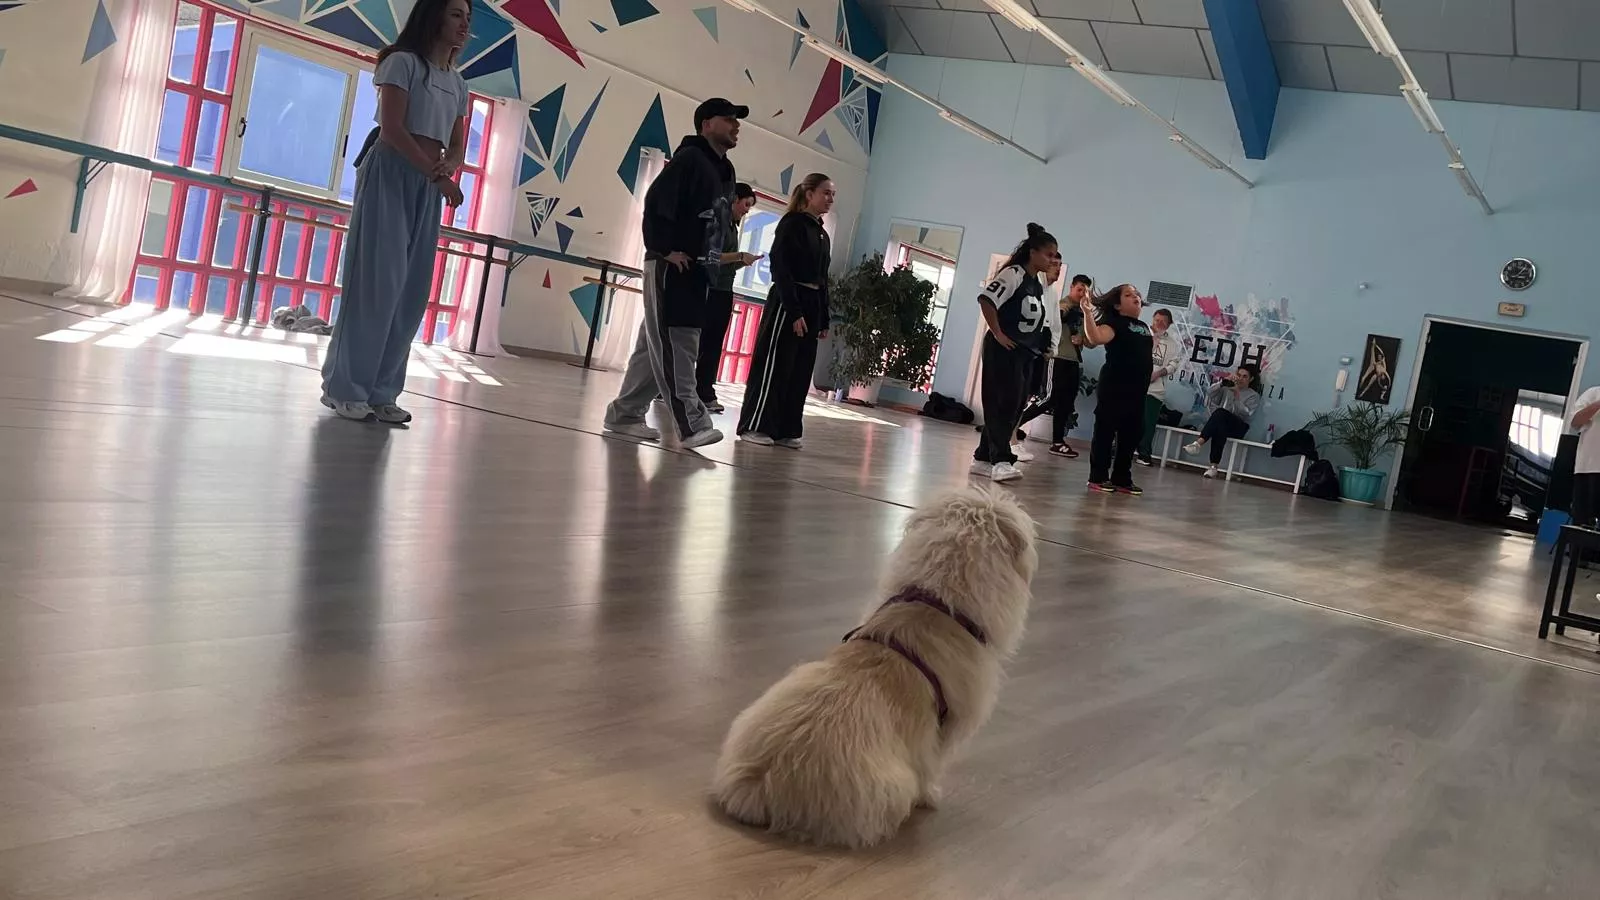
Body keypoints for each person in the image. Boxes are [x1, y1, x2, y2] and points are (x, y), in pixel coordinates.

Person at [320, 0, 471, 424]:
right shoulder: (402, 63)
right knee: (376, 284)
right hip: (391, 172)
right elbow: (392, 129)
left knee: (410, 291)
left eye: (468, 17)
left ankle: (383, 390)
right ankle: (345, 387)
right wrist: (437, 175)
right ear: (435, 15)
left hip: (427, 182)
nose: (464, 24)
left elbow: (457, 141)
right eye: (456, 14)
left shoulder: (457, 84)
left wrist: (449, 166)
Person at [602, 97, 745, 449]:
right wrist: (665, 249)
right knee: (680, 344)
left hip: (699, 271)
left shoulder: (724, 170)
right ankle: (692, 423)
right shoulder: (690, 160)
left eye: (737, 122)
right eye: (729, 120)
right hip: (672, 266)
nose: (736, 126)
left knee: (654, 345)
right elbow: (656, 202)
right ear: (706, 124)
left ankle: (625, 413)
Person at [737, 173, 834, 449]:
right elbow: (780, 268)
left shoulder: (822, 234)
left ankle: (786, 429)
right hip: (787, 301)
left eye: (832, 195)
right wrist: (794, 312)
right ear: (809, 194)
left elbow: (822, 278)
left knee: (800, 370)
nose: (830, 199)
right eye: (825, 193)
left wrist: (823, 316)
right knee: (776, 366)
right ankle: (756, 425)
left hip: (812, 304)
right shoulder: (791, 224)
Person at [969, 223, 1057, 484]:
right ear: (1033, 252)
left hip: (1024, 352)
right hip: (1003, 349)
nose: (1052, 260)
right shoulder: (1013, 274)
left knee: (1015, 404)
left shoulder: (1036, 283)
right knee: (1001, 403)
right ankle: (1001, 460)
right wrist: (997, 332)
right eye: (1049, 254)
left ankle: (983, 457)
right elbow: (987, 300)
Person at [1079, 283, 1152, 495]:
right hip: (1115, 386)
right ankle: (1098, 477)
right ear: (1118, 305)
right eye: (1128, 295)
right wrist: (1087, 313)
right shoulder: (1114, 323)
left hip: (1137, 391)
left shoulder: (1144, 327)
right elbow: (1095, 338)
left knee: (1132, 433)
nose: (1135, 296)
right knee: (1105, 431)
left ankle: (1122, 478)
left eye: (1136, 294)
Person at [696, 182, 761, 414]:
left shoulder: (733, 227)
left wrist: (742, 262)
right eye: (745, 204)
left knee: (713, 345)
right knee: (699, 343)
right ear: (734, 199)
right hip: (709, 290)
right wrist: (739, 255)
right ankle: (689, 389)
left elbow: (727, 265)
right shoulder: (718, 223)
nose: (746, 210)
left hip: (724, 291)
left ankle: (704, 389)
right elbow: (710, 256)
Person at [1018, 272, 1092, 459]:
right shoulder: (1062, 305)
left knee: (1066, 403)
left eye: (1085, 291)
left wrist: (1081, 338)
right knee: (1049, 398)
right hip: (1056, 359)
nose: (1082, 293)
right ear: (1072, 288)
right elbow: (1053, 320)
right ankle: (1010, 424)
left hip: (1074, 361)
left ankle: (1058, 442)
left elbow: (1091, 340)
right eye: (1079, 289)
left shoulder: (1085, 313)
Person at [1184, 363, 1262, 478]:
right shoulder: (1227, 389)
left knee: (1220, 414)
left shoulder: (1253, 396)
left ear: (1251, 379)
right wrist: (1222, 383)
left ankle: (1199, 443)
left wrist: (1237, 395)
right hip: (1223, 423)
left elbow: (1246, 413)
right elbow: (1210, 393)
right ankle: (1213, 467)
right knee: (1220, 425)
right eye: (1239, 375)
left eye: (1244, 376)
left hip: (1239, 427)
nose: (1240, 378)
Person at [1136, 308, 1179, 466]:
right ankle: (1118, 447)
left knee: (1148, 424)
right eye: (1157, 320)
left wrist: (1160, 372)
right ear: (1153, 319)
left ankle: (1144, 453)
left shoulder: (1172, 344)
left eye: (1163, 322)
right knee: (1127, 419)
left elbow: (1174, 364)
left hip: (1155, 390)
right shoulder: (1141, 334)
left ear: (1168, 325)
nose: (1159, 324)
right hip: (1134, 386)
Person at [1568, 386, 1600, 527]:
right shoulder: (1593, 393)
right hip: (1588, 468)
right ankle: (1578, 550)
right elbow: (1575, 422)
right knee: (1582, 523)